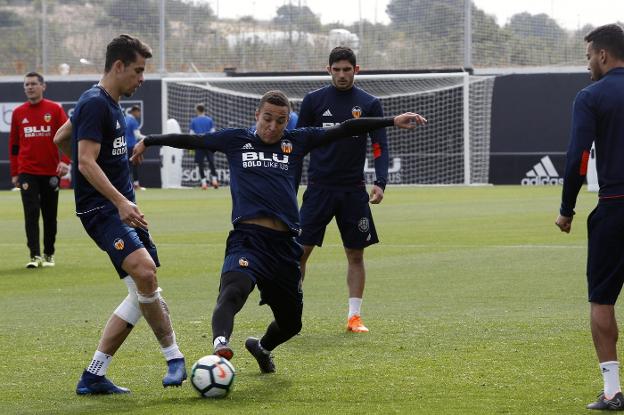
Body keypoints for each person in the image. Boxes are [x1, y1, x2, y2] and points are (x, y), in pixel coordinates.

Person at [131, 90, 426, 373]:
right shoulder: (236, 140)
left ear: (288, 121)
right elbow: (192, 140)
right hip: (247, 239)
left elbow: (346, 128)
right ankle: (220, 345)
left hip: (284, 246)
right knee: (234, 289)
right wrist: (150, 140)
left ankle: (262, 347)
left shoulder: (297, 142)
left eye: (280, 121)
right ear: (257, 114)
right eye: (267, 118)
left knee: (291, 323)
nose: (272, 126)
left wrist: (391, 121)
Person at [53, 34, 186, 395]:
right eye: (138, 70)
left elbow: (61, 138)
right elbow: (83, 160)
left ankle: (93, 374)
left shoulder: (106, 105)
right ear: (118, 66)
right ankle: (174, 357)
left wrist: (114, 172)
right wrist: (116, 199)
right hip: (104, 209)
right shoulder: (96, 103)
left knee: (142, 289)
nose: (141, 78)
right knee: (145, 272)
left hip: (122, 208)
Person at [295, 46, 389, 333]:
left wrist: (381, 181)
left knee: (356, 255)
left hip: (352, 190)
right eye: (336, 69)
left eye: (347, 69)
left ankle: (354, 317)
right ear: (328, 70)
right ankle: (291, 314)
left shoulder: (369, 103)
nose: (342, 74)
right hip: (319, 188)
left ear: (356, 70)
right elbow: (299, 145)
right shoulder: (313, 101)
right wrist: (290, 185)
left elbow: (379, 145)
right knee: (299, 252)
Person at [555, 24, 624, 411]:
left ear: (602, 55)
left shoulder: (591, 96)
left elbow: (579, 157)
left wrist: (567, 209)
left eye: (587, 58)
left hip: (615, 206)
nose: (587, 66)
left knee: (602, 300)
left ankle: (613, 391)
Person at [9, 71, 70, 268]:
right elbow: (14, 145)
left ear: (43, 86)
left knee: (50, 214)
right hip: (27, 171)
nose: (29, 87)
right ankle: (34, 255)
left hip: (51, 172)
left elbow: (67, 136)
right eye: (26, 84)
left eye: (33, 84)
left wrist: (66, 161)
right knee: (31, 212)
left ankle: (49, 253)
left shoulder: (54, 109)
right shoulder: (19, 112)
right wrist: (15, 172)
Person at [189, 104, 218, 189]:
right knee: (211, 162)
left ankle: (204, 183)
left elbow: (191, 134)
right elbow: (213, 132)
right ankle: (214, 180)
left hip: (199, 144)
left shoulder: (193, 121)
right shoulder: (209, 120)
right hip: (208, 143)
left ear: (197, 110)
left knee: (200, 164)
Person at [125, 105, 146, 190]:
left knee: (127, 165)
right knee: (134, 165)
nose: (139, 113)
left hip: (123, 146)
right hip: (131, 146)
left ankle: (127, 185)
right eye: (138, 111)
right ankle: (136, 185)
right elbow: (137, 136)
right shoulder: (133, 121)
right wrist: (148, 138)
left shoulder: (125, 119)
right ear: (134, 111)